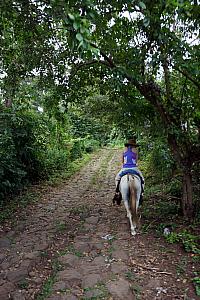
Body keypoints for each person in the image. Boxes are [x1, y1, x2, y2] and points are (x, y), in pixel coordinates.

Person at [113, 138, 145, 204]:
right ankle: (141, 194)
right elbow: (136, 161)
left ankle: (118, 193)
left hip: (125, 168)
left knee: (117, 179)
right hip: (134, 168)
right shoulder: (136, 150)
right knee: (143, 180)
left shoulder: (124, 150)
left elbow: (122, 161)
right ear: (134, 145)